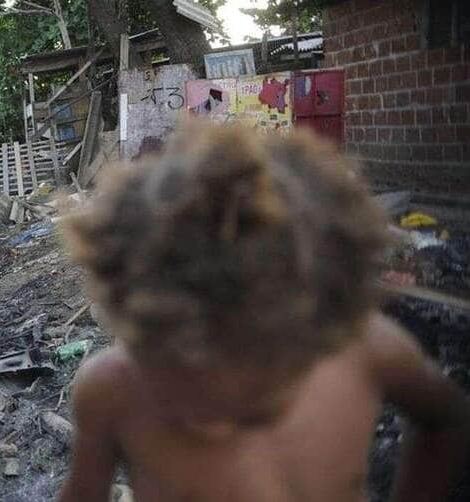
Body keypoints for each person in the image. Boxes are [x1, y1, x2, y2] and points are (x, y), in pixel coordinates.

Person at [58, 123, 470, 502]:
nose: (215, 425)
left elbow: (443, 419)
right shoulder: (111, 391)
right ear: (136, 331)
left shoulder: (364, 349)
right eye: (187, 379)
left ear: (316, 332)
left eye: (261, 393)